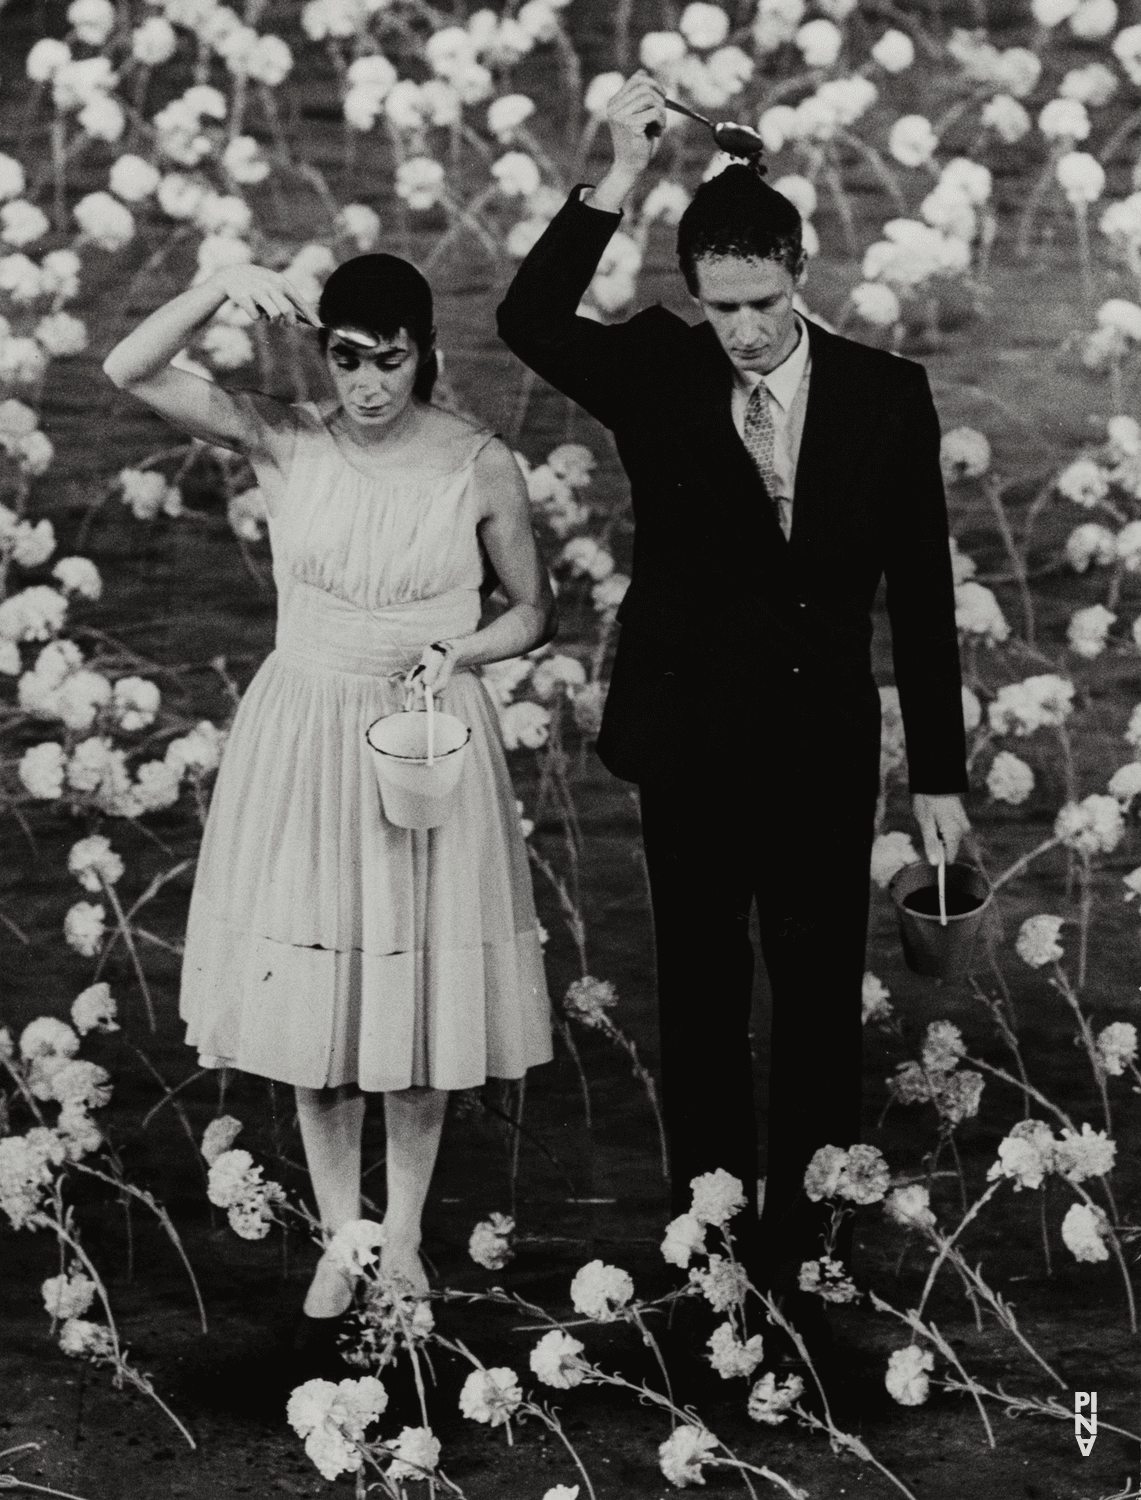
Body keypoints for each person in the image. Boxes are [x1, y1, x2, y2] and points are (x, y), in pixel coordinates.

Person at [497, 73, 971, 1301]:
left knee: (817, 1005)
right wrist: (617, 171)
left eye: (762, 304)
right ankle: (706, 1249)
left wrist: (938, 779)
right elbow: (530, 318)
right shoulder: (658, 370)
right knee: (701, 1002)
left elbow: (917, 592)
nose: (745, 332)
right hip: (692, 739)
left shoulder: (885, 395)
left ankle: (813, 1246)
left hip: (820, 744)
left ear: (797, 277)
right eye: (721, 309)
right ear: (694, 293)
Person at [103, 252, 556, 1328]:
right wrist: (219, 280)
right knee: (316, 1009)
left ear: (423, 354)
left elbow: (534, 613)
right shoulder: (284, 434)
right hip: (302, 735)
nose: (365, 386)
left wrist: (459, 650)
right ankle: (337, 1234)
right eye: (345, 360)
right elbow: (130, 368)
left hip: (420, 737)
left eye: (387, 363)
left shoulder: (480, 463)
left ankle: (400, 1243)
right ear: (325, 353)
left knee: (413, 1000)